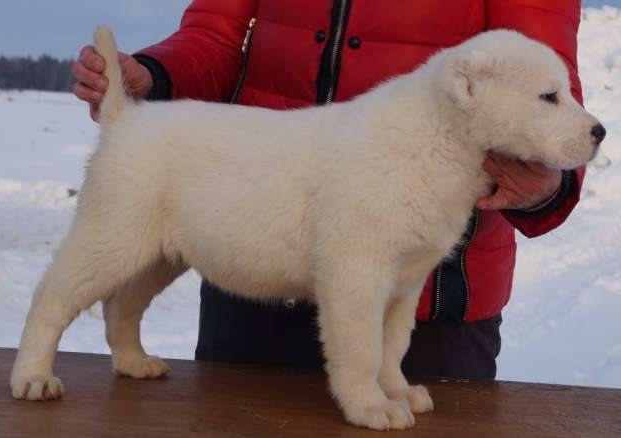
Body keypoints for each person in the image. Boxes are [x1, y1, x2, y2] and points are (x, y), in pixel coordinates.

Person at [72, 0, 585, 380]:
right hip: (255, 241)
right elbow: (215, 35)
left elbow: (545, 81)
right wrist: (156, 73)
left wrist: (549, 184)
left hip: (434, 298)